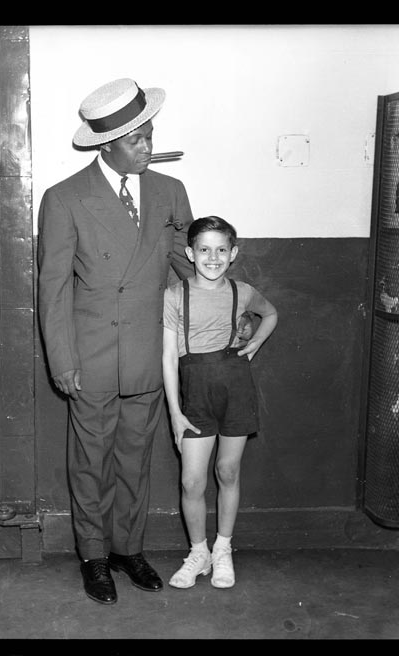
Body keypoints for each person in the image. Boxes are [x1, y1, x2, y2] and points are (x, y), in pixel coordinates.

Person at [37, 78, 196, 605]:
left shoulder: (170, 192)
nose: (148, 146)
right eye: (137, 140)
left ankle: (129, 550)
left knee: (136, 457)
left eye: (150, 135)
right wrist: (62, 359)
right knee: (91, 460)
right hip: (92, 355)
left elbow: (186, 268)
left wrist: (225, 308)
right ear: (107, 145)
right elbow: (53, 287)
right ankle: (94, 556)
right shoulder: (64, 199)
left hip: (149, 353)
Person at [161, 215, 278, 589]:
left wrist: (256, 341)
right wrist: (175, 413)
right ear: (190, 253)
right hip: (195, 392)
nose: (213, 257)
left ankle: (223, 548)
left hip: (235, 387)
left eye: (221, 250)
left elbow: (270, 314)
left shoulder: (241, 291)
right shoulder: (175, 295)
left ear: (233, 253)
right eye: (204, 249)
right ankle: (199, 553)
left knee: (228, 472)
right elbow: (167, 358)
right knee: (192, 481)